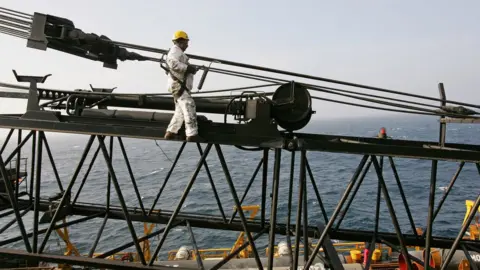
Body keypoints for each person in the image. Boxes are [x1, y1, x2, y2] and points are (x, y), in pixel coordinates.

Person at [163, 30, 202, 142]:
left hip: (178, 85)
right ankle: (192, 134)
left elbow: (177, 66)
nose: (187, 45)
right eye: (186, 42)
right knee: (189, 105)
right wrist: (187, 68)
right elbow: (173, 63)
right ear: (180, 41)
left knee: (180, 111)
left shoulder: (179, 52)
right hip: (178, 85)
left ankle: (170, 132)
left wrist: (190, 69)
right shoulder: (175, 50)